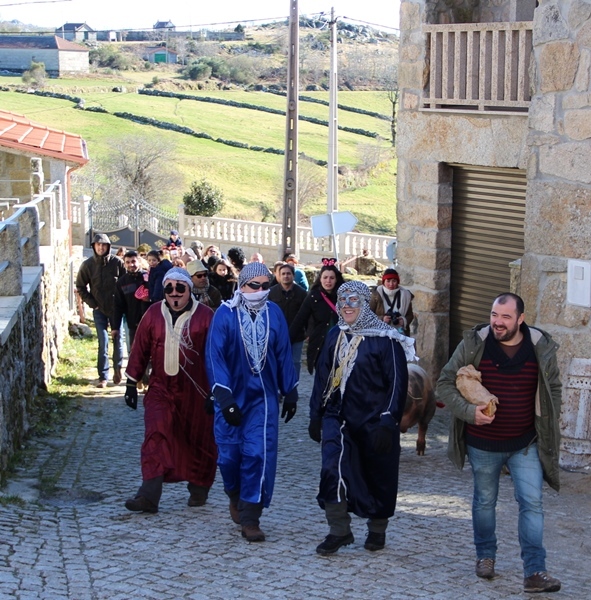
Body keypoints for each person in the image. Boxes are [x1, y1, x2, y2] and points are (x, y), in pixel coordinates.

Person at [436, 292, 562, 594]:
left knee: (532, 504)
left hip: (525, 443)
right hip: (483, 444)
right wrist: (469, 412)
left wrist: (547, 423)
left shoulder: (539, 347)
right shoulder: (475, 343)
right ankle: (485, 556)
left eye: (506, 316)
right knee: (484, 502)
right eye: (495, 315)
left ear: (520, 318)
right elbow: (444, 382)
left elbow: (553, 387)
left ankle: (534, 571)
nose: (498, 322)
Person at [309, 281, 414, 555]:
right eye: (342, 300)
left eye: (353, 300)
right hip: (337, 417)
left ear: (365, 304)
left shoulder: (386, 340)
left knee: (377, 474)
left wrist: (388, 421)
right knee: (332, 469)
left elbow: (397, 384)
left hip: (373, 420)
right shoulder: (335, 335)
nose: (346, 305)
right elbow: (322, 376)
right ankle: (339, 530)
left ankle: (377, 528)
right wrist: (316, 415)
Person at [206, 262, 298, 542]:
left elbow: (283, 352)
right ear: (241, 285)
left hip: (263, 400)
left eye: (264, 286)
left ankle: (250, 517)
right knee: (229, 457)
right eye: (253, 285)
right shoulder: (224, 314)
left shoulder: (275, 314)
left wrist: (290, 389)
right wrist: (224, 397)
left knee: (258, 455)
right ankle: (234, 494)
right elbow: (214, 355)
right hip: (232, 398)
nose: (259, 291)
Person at [124, 267, 216, 513]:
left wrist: (218, 390)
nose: (174, 293)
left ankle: (199, 486)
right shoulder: (153, 314)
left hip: (197, 393)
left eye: (180, 288)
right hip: (161, 389)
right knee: (156, 433)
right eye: (169, 288)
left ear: (189, 290)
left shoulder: (207, 317)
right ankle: (148, 495)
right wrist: (132, 382)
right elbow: (140, 347)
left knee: (199, 440)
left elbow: (219, 355)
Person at [76, 233, 125, 388]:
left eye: (104, 245)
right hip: (99, 309)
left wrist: (123, 304)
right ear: (94, 247)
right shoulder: (88, 265)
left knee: (118, 340)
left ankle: (117, 370)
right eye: (98, 245)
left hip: (116, 309)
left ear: (108, 247)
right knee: (103, 342)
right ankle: (103, 376)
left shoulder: (117, 263)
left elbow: (125, 284)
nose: (101, 247)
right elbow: (81, 287)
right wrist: (93, 304)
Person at [289, 259, 344, 374]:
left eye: (331, 278)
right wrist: (287, 341)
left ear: (336, 279)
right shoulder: (313, 296)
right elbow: (300, 320)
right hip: (320, 345)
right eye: (325, 277)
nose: (328, 281)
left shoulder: (344, 296)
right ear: (320, 279)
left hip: (341, 344)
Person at [268, 262, 308, 379]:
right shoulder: (271, 293)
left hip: (297, 335)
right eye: (283, 274)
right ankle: (279, 388)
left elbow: (307, 313)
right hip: (276, 335)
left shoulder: (301, 293)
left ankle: (293, 387)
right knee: (276, 361)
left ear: (293, 275)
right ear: (278, 276)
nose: (286, 276)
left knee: (295, 362)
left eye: (288, 274)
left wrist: (307, 331)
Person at [112, 250, 150, 356]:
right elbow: (118, 305)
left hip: (149, 323)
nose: (131, 265)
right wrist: (115, 327)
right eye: (127, 262)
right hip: (132, 324)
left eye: (133, 261)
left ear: (139, 261)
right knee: (134, 354)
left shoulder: (148, 278)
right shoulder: (122, 282)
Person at [369, 268, 414, 336]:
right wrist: (382, 319)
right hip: (380, 333)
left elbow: (410, 315)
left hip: (400, 333)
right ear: (384, 281)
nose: (391, 284)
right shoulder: (376, 294)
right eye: (388, 281)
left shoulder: (406, 295)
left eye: (394, 281)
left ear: (397, 282)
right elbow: (369, 315)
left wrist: (404, 321)